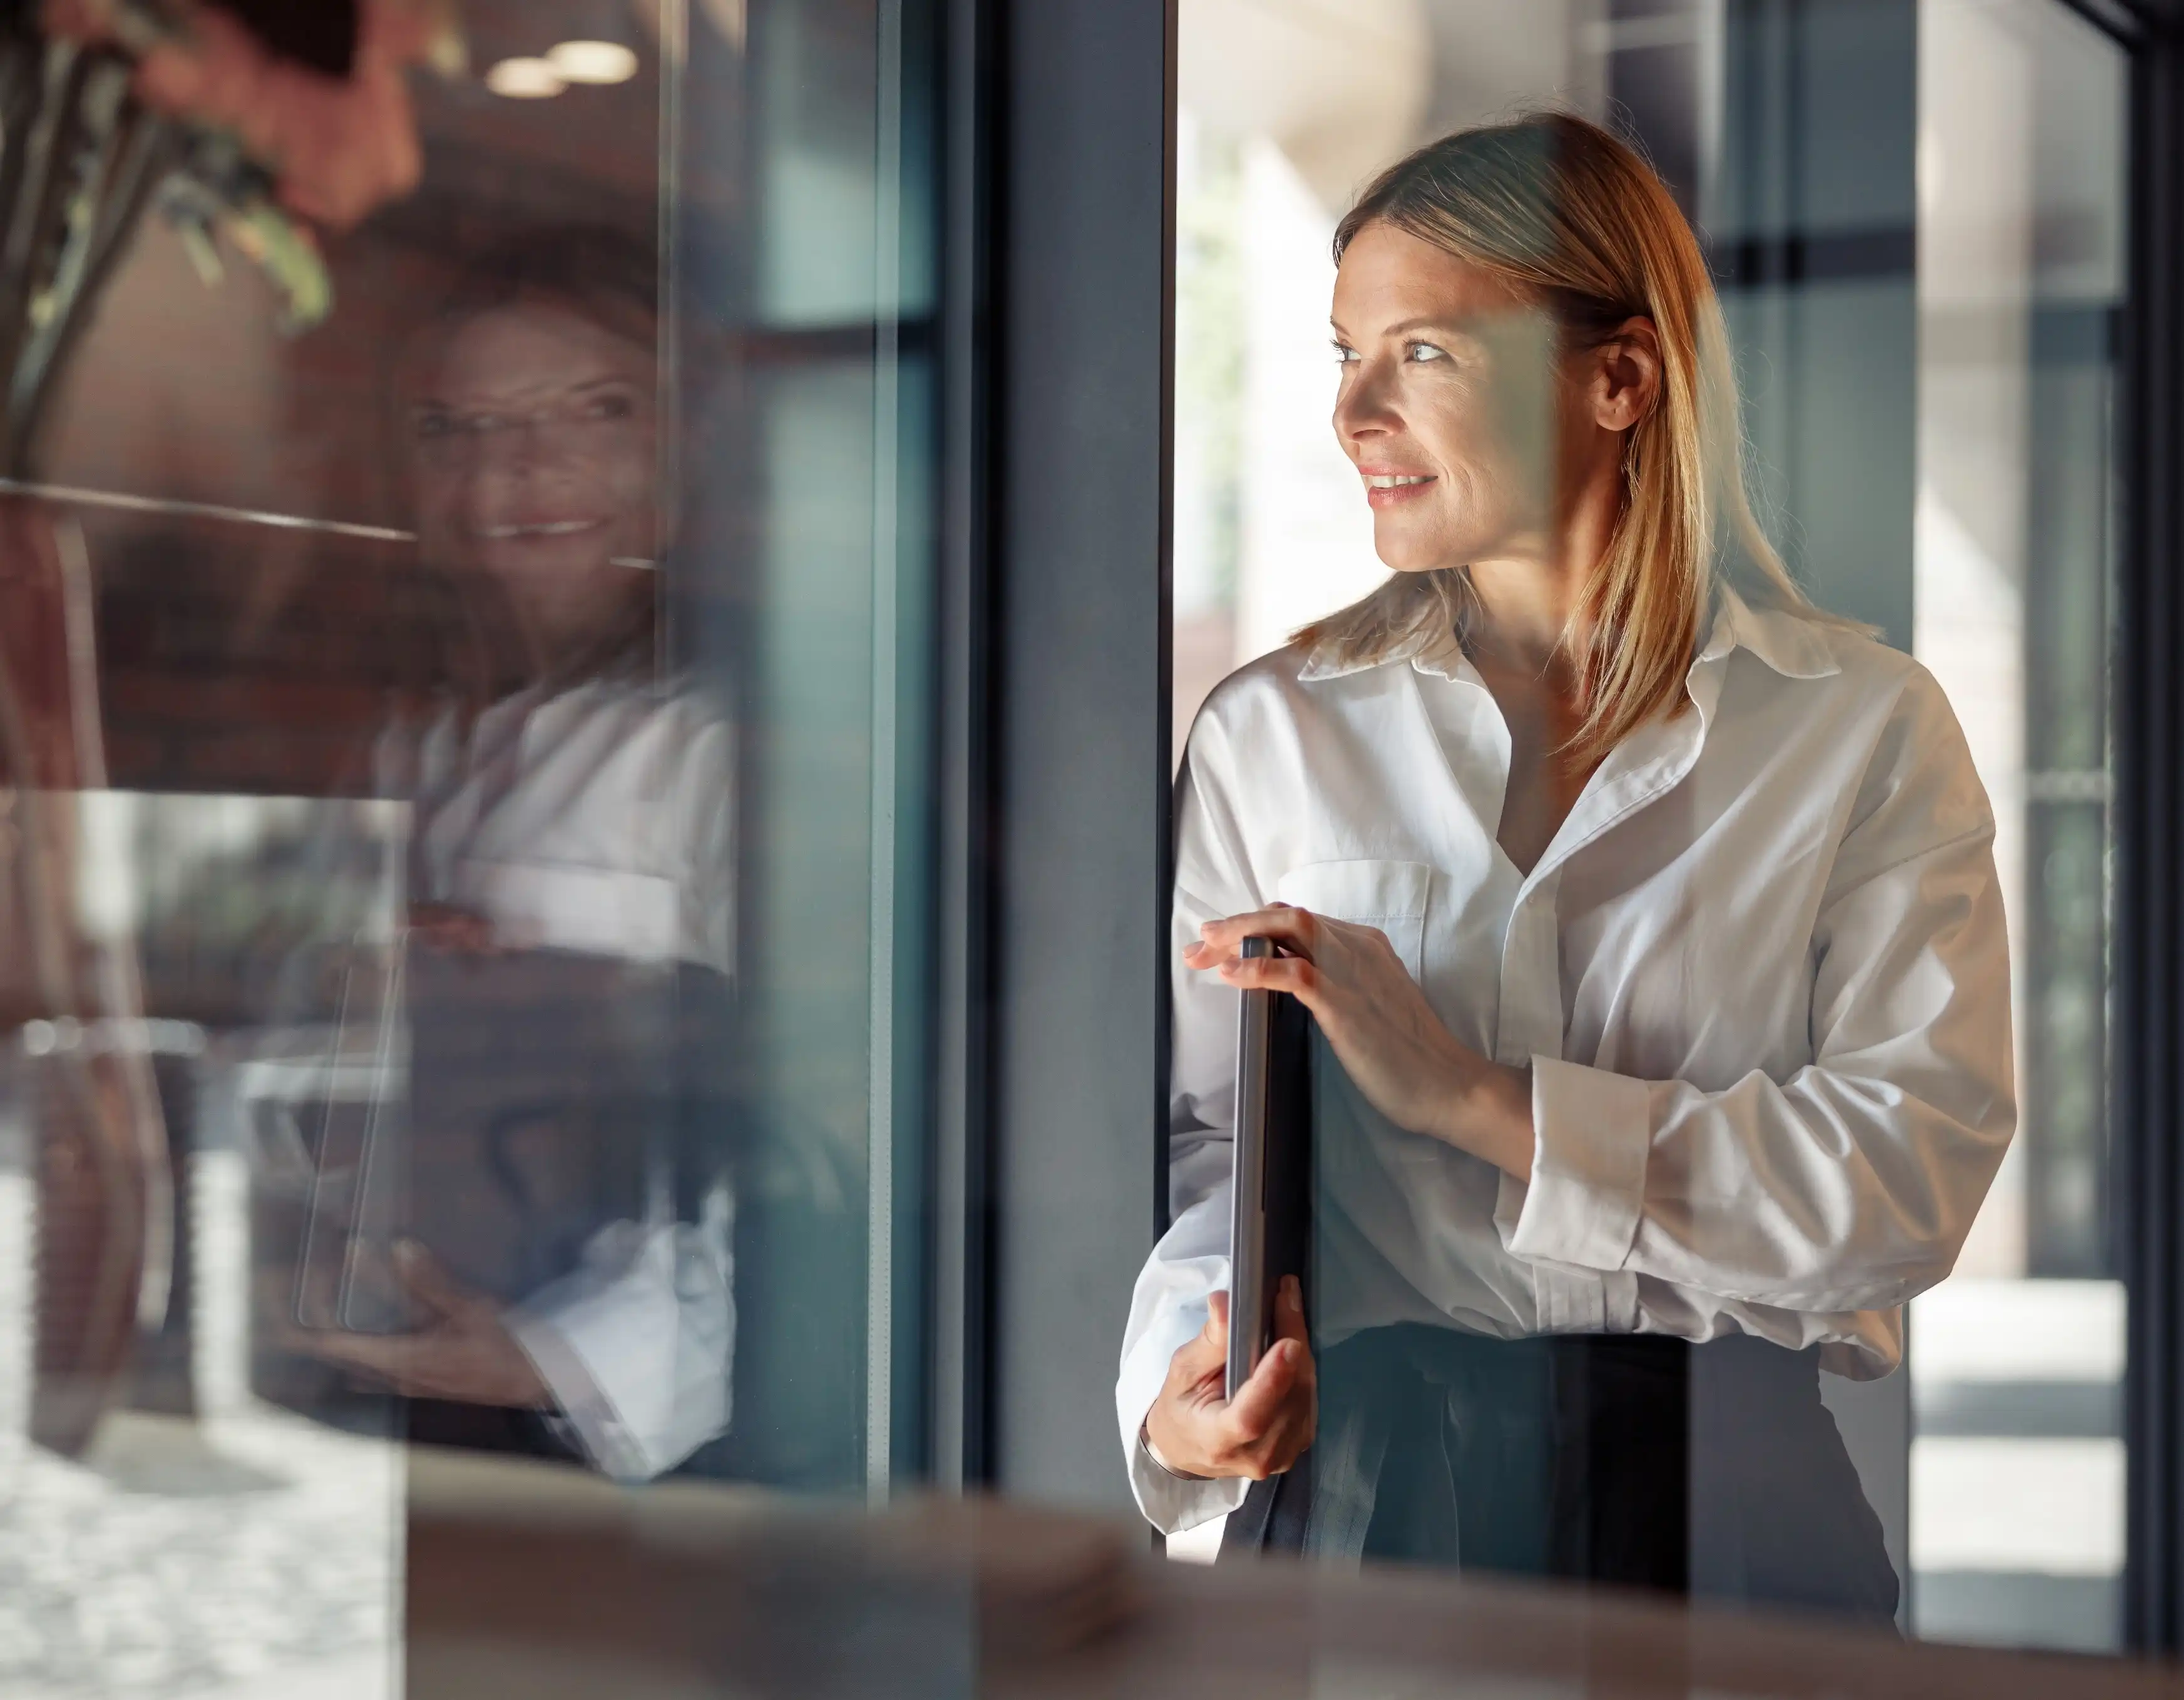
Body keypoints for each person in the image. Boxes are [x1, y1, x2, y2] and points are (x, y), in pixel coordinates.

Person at [1119, 113, 2014, 1617]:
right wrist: (1177, 1390)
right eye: (1344, 353)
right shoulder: (1270, 734)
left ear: (1618, 377)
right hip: (1367, 1496)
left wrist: (1482, 1100)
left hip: (1739, 1502)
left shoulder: (1860, 728)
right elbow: (1199, 1147)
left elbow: (1904, 1179)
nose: (1351, 412)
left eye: (1422, 353)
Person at [277, 228, 737, 1482]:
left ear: (684, 445)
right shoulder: (401, 748)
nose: (522, 467)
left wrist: (563, 1357)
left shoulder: (730, 752)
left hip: (635, 1443)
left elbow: (829, 1124)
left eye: (593, 408)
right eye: (455, 427)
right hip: (372, 1385)